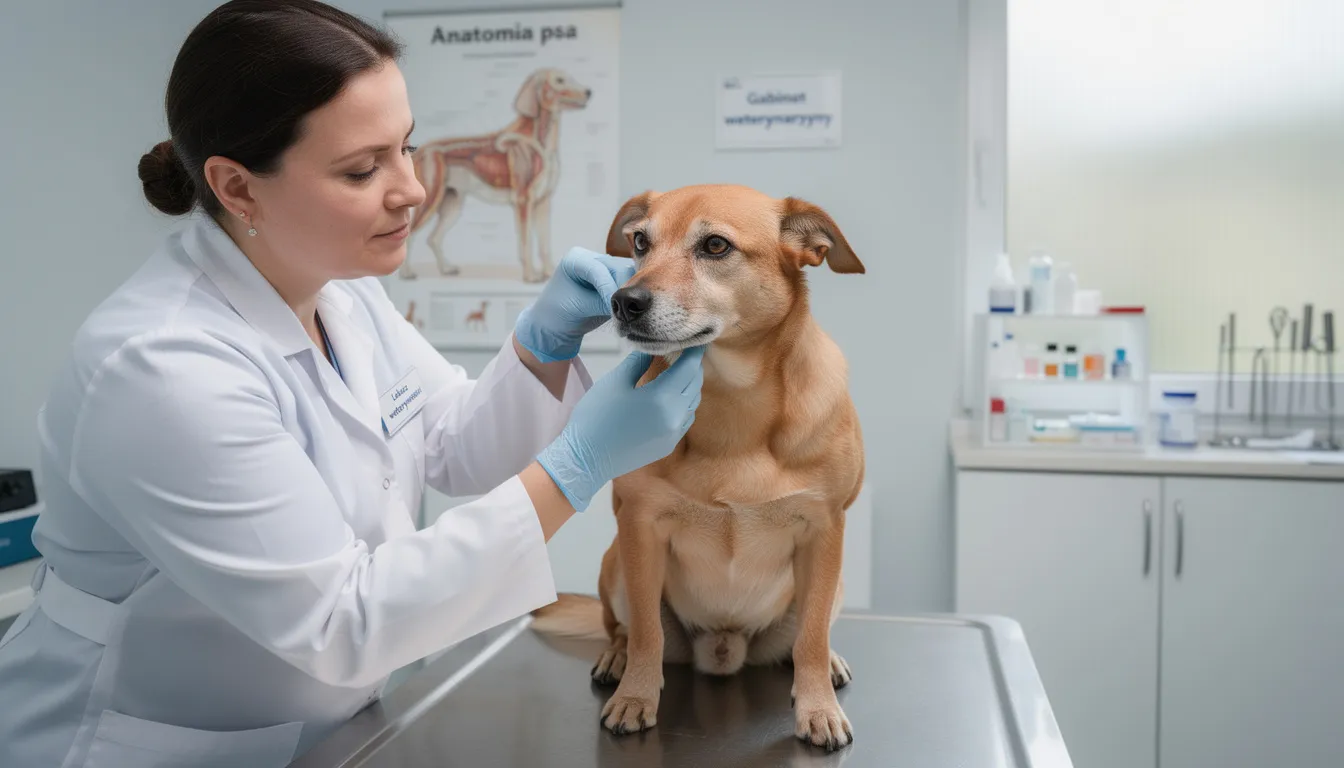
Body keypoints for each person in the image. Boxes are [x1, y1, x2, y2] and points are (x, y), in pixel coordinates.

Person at [0, 2, 705, 766]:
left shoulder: (340, 289)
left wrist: (544, 345)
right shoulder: (159, 368)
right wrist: (577, 468)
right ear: (237, 188)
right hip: (148, 742)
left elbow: (450, 444)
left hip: (327, 728)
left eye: (405, 149)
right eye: (363, 169)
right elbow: (343, 622)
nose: (412, 189)